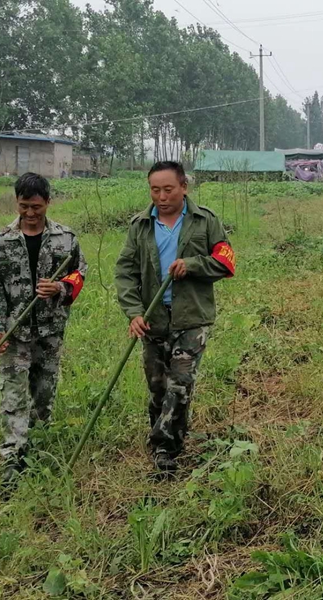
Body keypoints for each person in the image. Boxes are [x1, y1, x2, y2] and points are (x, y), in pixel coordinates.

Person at [115, 161, 235, 473]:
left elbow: (225, 262)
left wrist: (192, 265)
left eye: (168, 189)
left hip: (192, 317)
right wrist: (134, 312)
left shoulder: (205, 220)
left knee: (180, 384)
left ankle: (164, 448)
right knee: (158, 386)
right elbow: (126, 272)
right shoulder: (140, 225)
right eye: (155, 190)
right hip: (153, 318)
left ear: (184, 187)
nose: (161, 196)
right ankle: (166, 433)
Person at [0, 172, 87, 484]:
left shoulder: (66, 239)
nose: (30, 213)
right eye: (24, 206)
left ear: (48, 202)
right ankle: (13, 457)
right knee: (13, 396)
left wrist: (60, 287)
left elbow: (79, 273)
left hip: (50, 332)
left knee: (43, 393)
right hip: (13, 333)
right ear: (17, 202)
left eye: (36, 207)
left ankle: (38, 448)